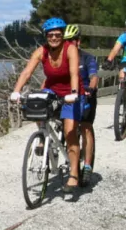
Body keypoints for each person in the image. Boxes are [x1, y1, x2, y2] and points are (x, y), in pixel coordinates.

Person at [10, 17, 83, 194]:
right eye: (50, 35)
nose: (54, 38)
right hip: (52, 90)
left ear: (63, 35)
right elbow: (27, 71)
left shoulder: (70, 49)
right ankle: (43, 135)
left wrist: (73, 93)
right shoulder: (41, 51)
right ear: (46, 36)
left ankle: (74, 173)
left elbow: (74, 73)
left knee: (69, 132)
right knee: (35, 104)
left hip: (70, 93)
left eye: (58, 35)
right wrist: (16, 91)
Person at [64, 24, 98, 182]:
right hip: (69, 96)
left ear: (79, 41)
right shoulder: (62, 58)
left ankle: (88, 165)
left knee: (85, 127)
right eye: (67, 41)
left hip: (86, 94)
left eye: (73, 40)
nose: (70, 43)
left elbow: (93, 76)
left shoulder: (87, 57)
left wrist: (91, 88)